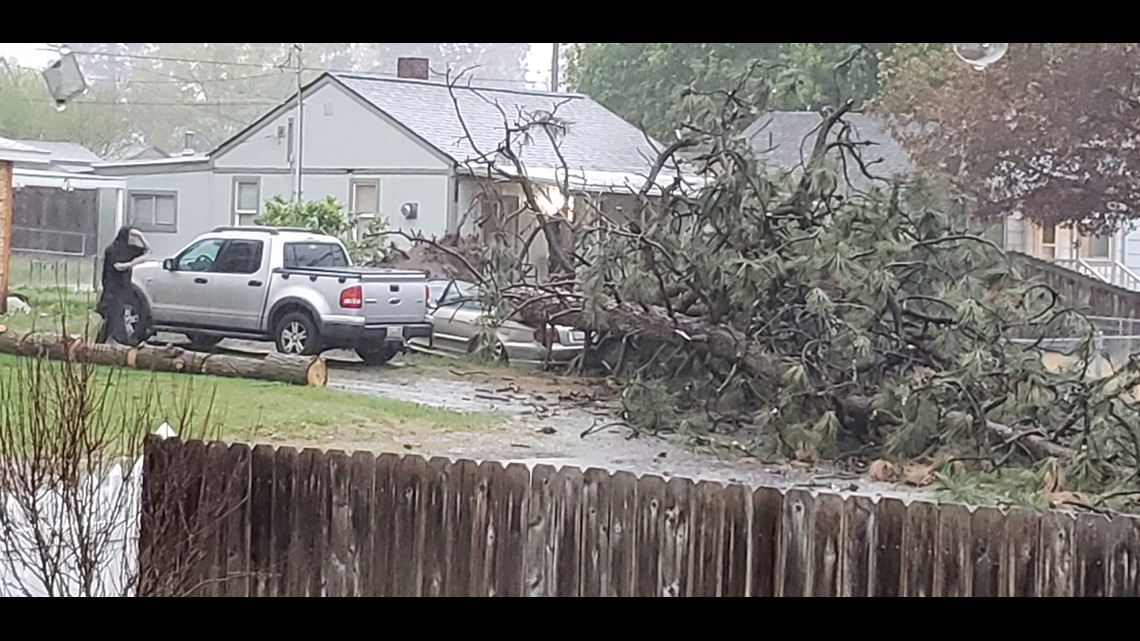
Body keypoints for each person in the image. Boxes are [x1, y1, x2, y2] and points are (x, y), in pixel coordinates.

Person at [95, 226, 151, 344]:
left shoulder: (128, 250)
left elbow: (147, 249)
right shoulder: (112, 250)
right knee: (113, 315)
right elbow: (118, 266)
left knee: (116, 316)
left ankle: (105, 341)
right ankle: (115, 340)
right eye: (131, 237)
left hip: (124, 287)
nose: (132, 240)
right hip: (112, 288)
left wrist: (139, 236)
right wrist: (134, 262)